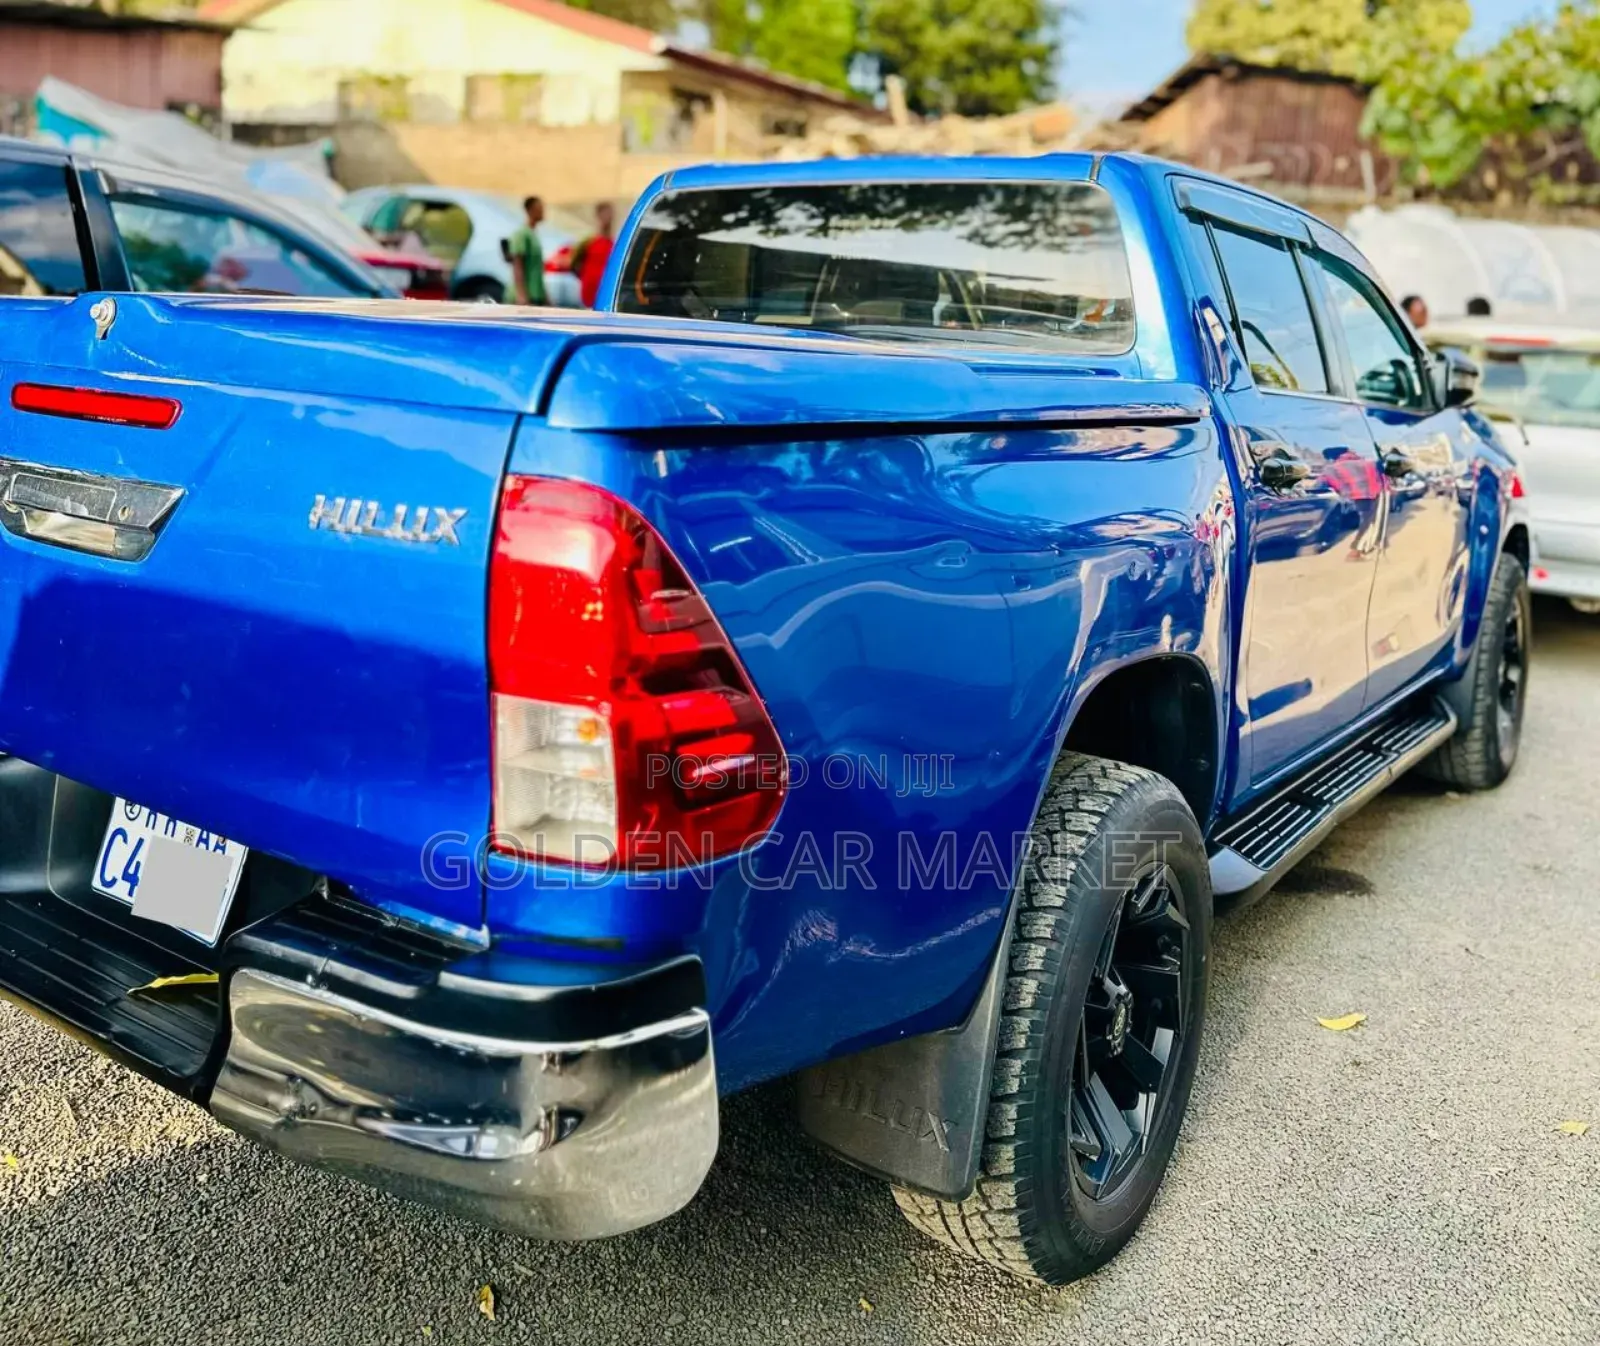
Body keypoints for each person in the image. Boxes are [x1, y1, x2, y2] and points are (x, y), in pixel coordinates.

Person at [572, 202, 616, 309]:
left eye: (610, 214)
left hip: (605, 297)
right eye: (605, 214)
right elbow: (574, 264)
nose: (608, 218)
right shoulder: (588, 243)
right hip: (588, 297)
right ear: (598, 216)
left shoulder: (614, 245)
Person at [505, 195, 546, 306]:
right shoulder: (522, 235)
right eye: (540, 208)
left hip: (536, 294)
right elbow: (517, 264)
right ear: (530, 210)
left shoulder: (534, 235)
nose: (543, 211)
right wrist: (521, 294)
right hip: (525, 297)